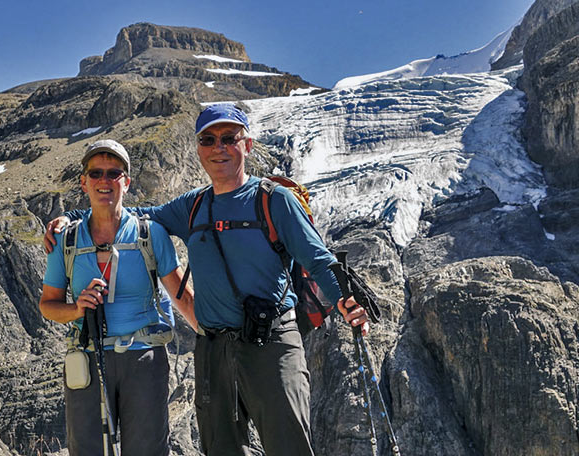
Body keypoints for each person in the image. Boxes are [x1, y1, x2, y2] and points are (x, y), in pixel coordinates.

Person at [44, 105, 370, 455]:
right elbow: (125, 212)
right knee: (221, 448)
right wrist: (70, 216)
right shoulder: (192, 206)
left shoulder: (274, 200)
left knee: (288, 446)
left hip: (272, 345)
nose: (219, 147)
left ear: (247, 144)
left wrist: (347, 301)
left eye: (229, 138)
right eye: (208, 139)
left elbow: (318, 260)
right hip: (213, 351)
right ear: (198, 148)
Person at [38, 139, 197, 456]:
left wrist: (218, 336)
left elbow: (182, 297)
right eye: (95, 173)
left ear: (127, 180)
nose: (104, 181)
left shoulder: (150, 234)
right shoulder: (65, 240)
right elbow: (48, 305)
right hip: (86, 356)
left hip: (144, 359)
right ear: (83, 182)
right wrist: (77, 308)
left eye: (114, 173)